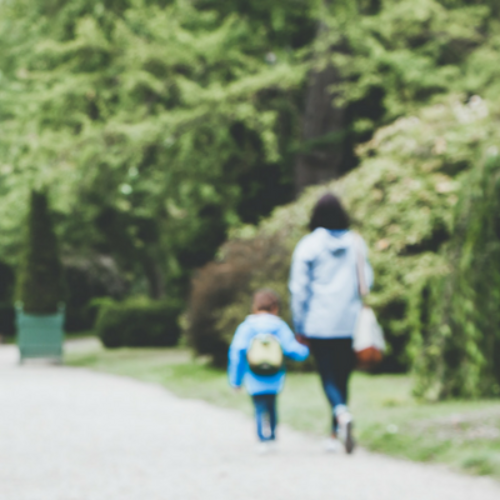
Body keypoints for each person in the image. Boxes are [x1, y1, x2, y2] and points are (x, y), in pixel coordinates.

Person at [289, 193, 373, 454]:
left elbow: (299, 289)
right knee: (343, 376)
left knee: (327, 376)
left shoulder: (308, 245)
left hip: (319, 322)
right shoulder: (357, 243)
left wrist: (298, 325)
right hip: (349, 321)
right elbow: (367, 282)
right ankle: (336, 430)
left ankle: (340, 415)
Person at [228, 289, 309, 453]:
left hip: (253, 377)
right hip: (274, 378)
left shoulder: (247, 327)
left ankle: (262, 440)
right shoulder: (279, 326)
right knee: (272, 407)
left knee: (259, 408)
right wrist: (307, 349)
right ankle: (272, 437)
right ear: (275, 307)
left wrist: (235, 381)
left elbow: (237, 353)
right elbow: (293, 350)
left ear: (255, 307)